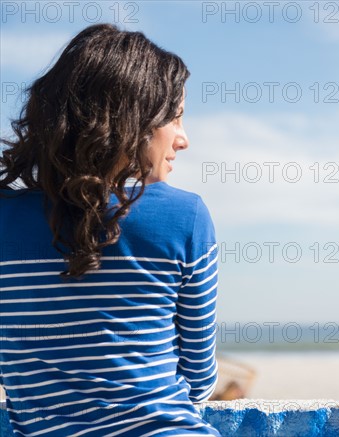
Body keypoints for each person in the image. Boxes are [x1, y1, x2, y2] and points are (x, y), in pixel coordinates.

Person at [0, 23, 221, 436]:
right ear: (132, 121)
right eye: (175, 118)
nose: (183, 139)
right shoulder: (184, 217)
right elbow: (200, 379)